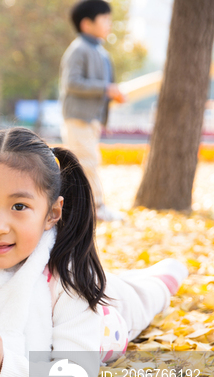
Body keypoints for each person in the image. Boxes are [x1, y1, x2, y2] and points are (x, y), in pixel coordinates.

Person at [0, 127, 188, 377]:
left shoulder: (71, 279)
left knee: (144, 295)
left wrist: (4, 367)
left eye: (19, 207)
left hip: (108, 315)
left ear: (52, 213)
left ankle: (165, 277)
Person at [59, 0, 125, 222]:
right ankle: (96, 208)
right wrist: (106, 89)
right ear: (87, 24)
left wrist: (112, 93)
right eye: (105, 19)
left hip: (90, 118)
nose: (110, 24)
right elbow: (72, 82)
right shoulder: (79, 49)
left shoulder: (100, 51)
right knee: (86, 162)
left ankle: (80, 208)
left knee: (86, 161)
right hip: (78, 117)